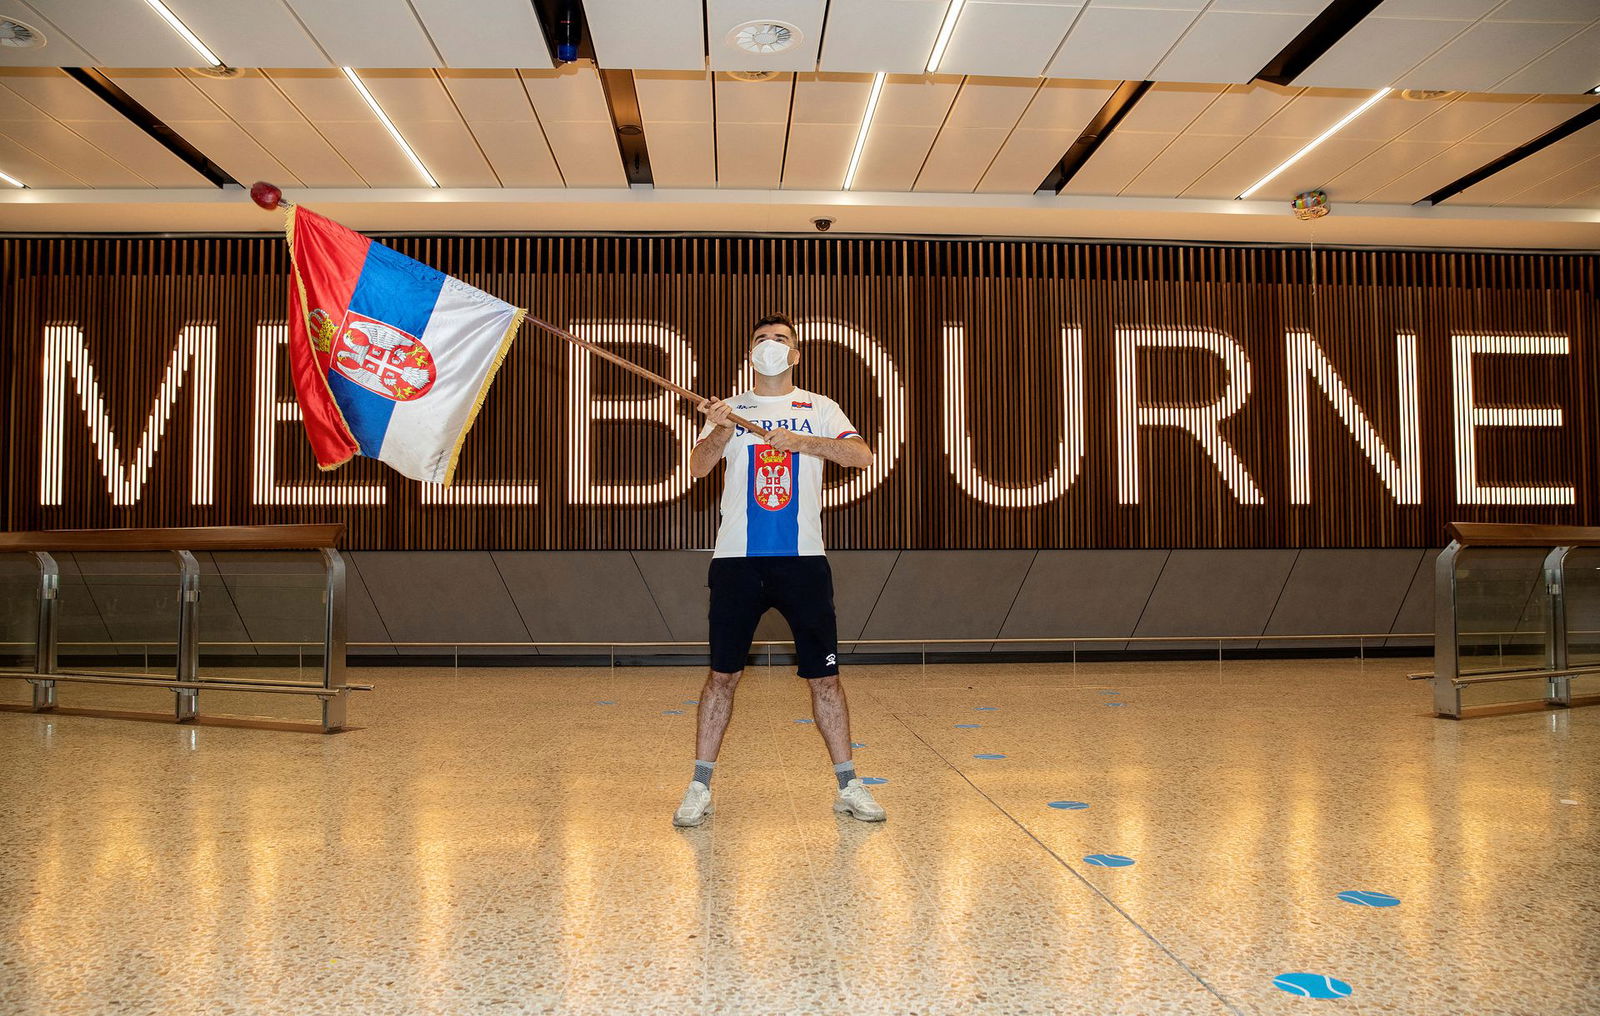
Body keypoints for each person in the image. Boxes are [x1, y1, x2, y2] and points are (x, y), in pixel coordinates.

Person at [673, 313, 885, 827]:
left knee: (826, 679)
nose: (771, 345)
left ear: (795, 355)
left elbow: (861, 456)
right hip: (736, 561)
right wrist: (721, 429)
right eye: (761, 339)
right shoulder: (731, 408)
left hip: (804, 561)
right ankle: (699, 787)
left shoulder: (820, 407)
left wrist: (803, 442)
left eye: (781, 340)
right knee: (722, 676)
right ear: (750, 355)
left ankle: (849, 784)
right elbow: (699, 467)